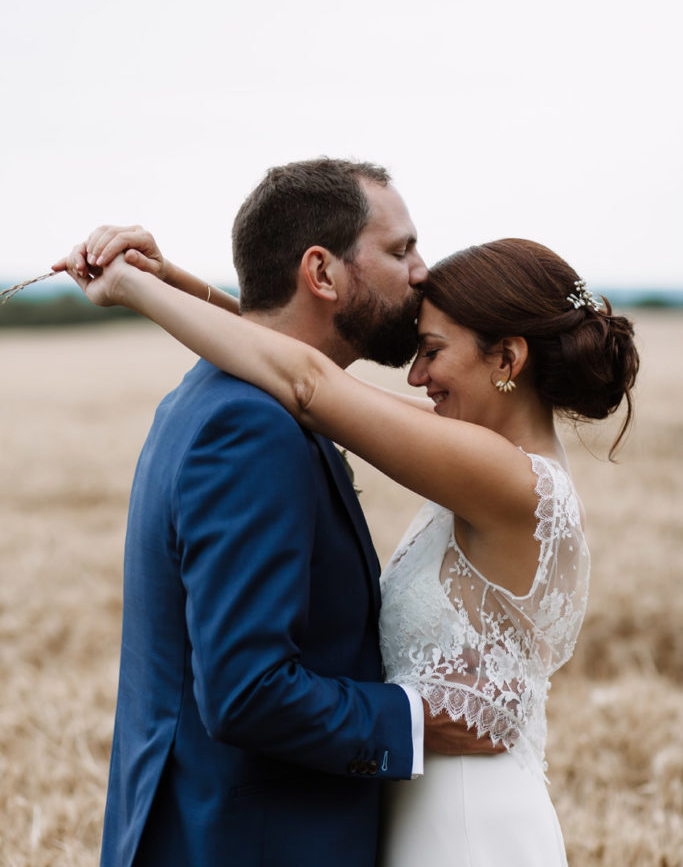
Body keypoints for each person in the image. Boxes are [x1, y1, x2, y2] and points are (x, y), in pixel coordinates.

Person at [62, 217, 639, 866]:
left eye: (431, 349)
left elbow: (309, 385)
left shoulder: (504, 479)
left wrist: (133, 291)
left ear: (506, 359)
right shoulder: (486, 456)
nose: (416, 376)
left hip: (466, 823)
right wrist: (171, 279)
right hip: (426, 802)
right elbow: (287, 358)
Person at [56, 159, 495, 867]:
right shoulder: (251, 428)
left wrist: (165, 282)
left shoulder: (228, 396)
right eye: (399, 249)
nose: (422, 272)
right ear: (320, 274)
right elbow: (246, 691)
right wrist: (418, 719)